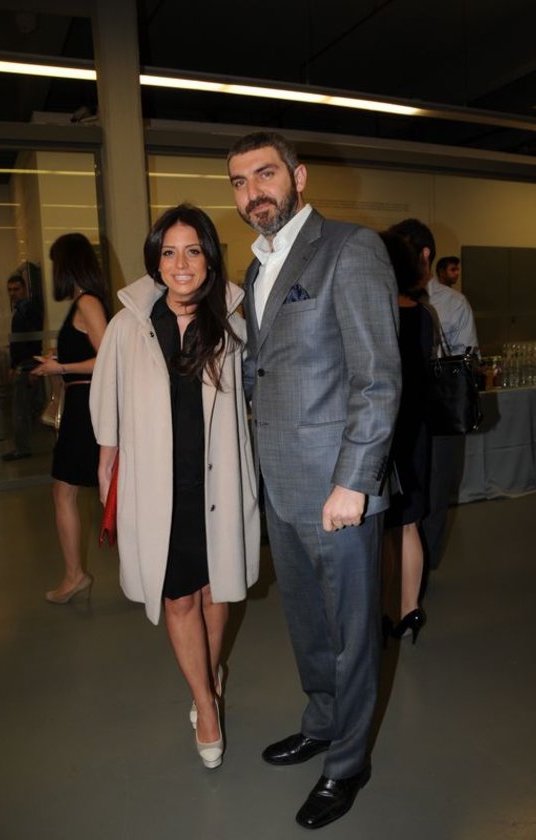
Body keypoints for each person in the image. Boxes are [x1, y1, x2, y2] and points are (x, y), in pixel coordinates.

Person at [227, 131, 401, 829]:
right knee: (306, 621)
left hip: (338, 489)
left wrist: (353, 481)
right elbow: (262, 369)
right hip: (282, 482)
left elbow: (378, 378)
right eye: (239, 182)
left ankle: (348, 763)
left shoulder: (350, 249)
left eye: (265, 174)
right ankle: (323, 722)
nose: (253, 192)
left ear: (297, 177)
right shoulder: (256, 267)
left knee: (352, 632)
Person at [89, 204, 259, 771]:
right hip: (157, 487)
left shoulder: (232, 321)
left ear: (209, 258)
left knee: (216, 592)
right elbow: (107, 406)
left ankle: (208, 672)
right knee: (178, 596)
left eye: (192, 250)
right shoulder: (129, 324)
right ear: (155, 261)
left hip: (218, 479)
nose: (180, 263)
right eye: (168, 252)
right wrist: (106, 468)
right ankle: (205, 704)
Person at [389, 219, 479, 571]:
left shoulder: (453, 303)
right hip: (397, 410)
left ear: (423, 255)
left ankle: (422, 571)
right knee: (403, 491)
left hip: (439, 412)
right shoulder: (384, 297)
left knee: (435, 490)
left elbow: (469, 359)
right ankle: (399, 571)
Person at [33, 233, 109, 603]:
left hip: (87, 408)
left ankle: (75, 575)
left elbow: (108, 357)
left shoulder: (87, 302)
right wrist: (59, 359)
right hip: (83, 406)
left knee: (72, 489)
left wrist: (60, 366)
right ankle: (74, 574)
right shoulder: (84, 302)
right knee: (71, 489)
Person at [379, 231, 436, 644]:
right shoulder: (423, 313)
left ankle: (384, 612)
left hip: (386, 426)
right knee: (411, 522)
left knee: (385, 527)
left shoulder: (379, 313)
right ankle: (409, 610)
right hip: (417, 425)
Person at [1, 271, 44, 461]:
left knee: (20, 410)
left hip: (28, 364)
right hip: (25, 363)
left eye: (16, 289)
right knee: (25, 408)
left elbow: (31, 341)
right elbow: (17, 342)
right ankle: (24, 446)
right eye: (10, 290)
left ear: (24, 289)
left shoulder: (27, 309)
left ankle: (22, 448)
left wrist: (30, 366)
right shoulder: (19, 310)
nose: (13, 293)